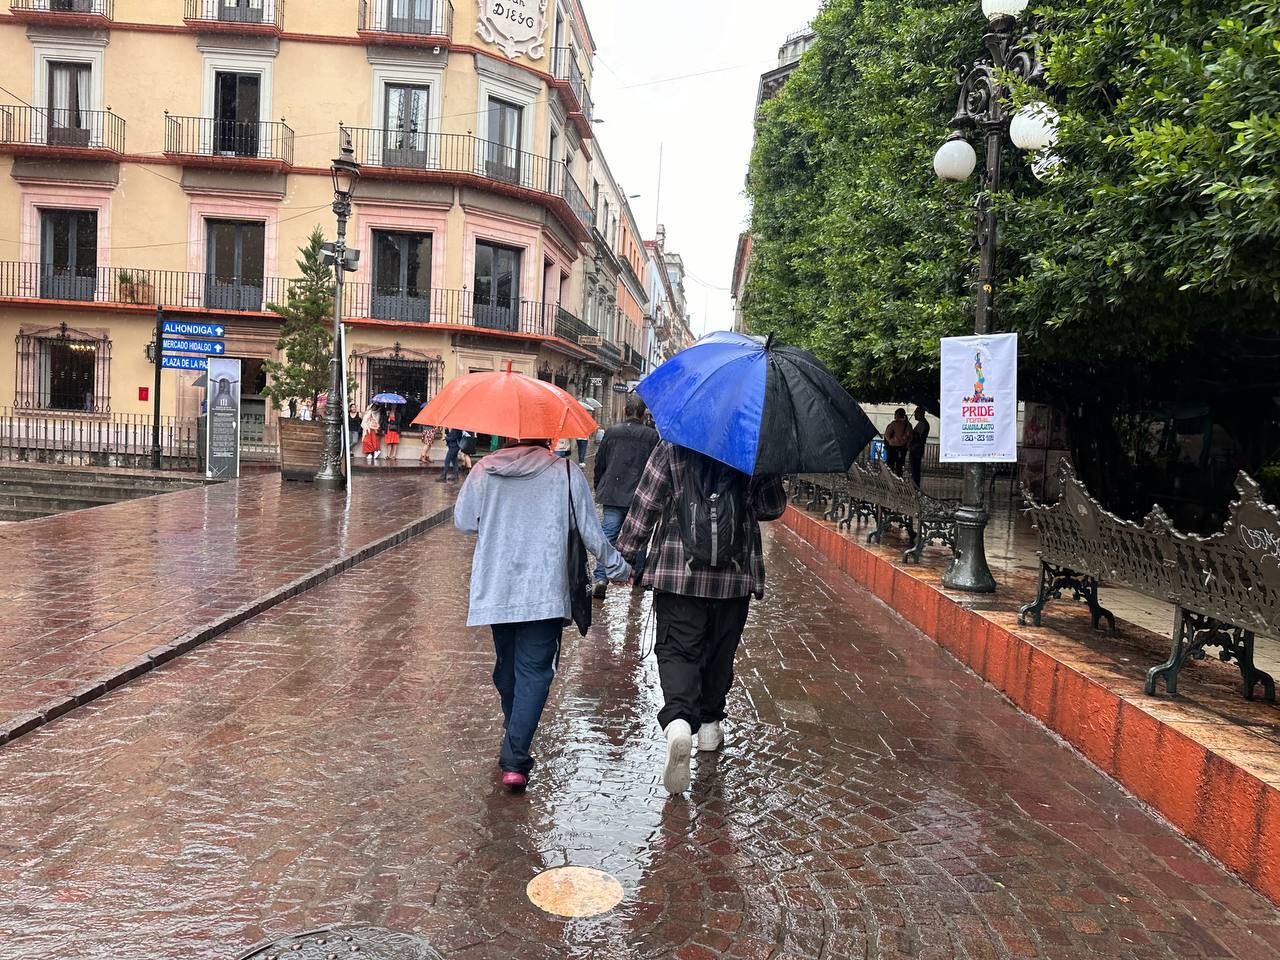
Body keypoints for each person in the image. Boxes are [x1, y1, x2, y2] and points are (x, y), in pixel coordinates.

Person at [455, 439, 631, 792]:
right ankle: (516, 757)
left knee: (508, 669)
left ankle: (514, 743)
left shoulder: (483, 470)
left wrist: (498, 520)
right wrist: (617, 567)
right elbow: (590, 531)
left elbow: (464, 521)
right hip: (544, 589)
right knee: (532, 672)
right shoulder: (565, 472)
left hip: (498, 587)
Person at [616, 442, 787, 795]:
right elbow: (772, 506)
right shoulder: (753, 446)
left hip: (679, 575)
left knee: (677, 650)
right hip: (734, 578)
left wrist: (627, 555)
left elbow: (645, 504)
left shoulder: (674, 444)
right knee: (720, 653)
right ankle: (709, 727)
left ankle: (679, 722)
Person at [592, 395, 659, 599]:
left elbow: (599, 462)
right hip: (640, 498)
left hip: (613, 494)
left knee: (608, 538)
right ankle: (637, 579)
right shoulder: (652, 436)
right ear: (643, 414)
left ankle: (601, 578)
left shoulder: (612, 432)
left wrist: (599, 486)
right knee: (639, 538)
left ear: (625, 412)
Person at [884, 407, 911, 476]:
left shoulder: (893, 424)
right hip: (902, 448)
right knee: (900, 465)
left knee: (890, 464)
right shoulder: (908, 425)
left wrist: (891, 441)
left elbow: (887, 434)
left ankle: (890, 478)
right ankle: (899, 477)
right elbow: (910, 437)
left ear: (897, 415)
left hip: (892, 447)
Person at [908, 406, 930, 488]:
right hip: (915, 447)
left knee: (915, 468)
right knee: (914, 467)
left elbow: (918, 436)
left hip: (917, 448)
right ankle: (915, 484)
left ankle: (916, 486)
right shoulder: (921, 423)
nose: (914, 415)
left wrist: (912, 433)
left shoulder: (923, 424)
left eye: (916, 413)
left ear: (921, 413)